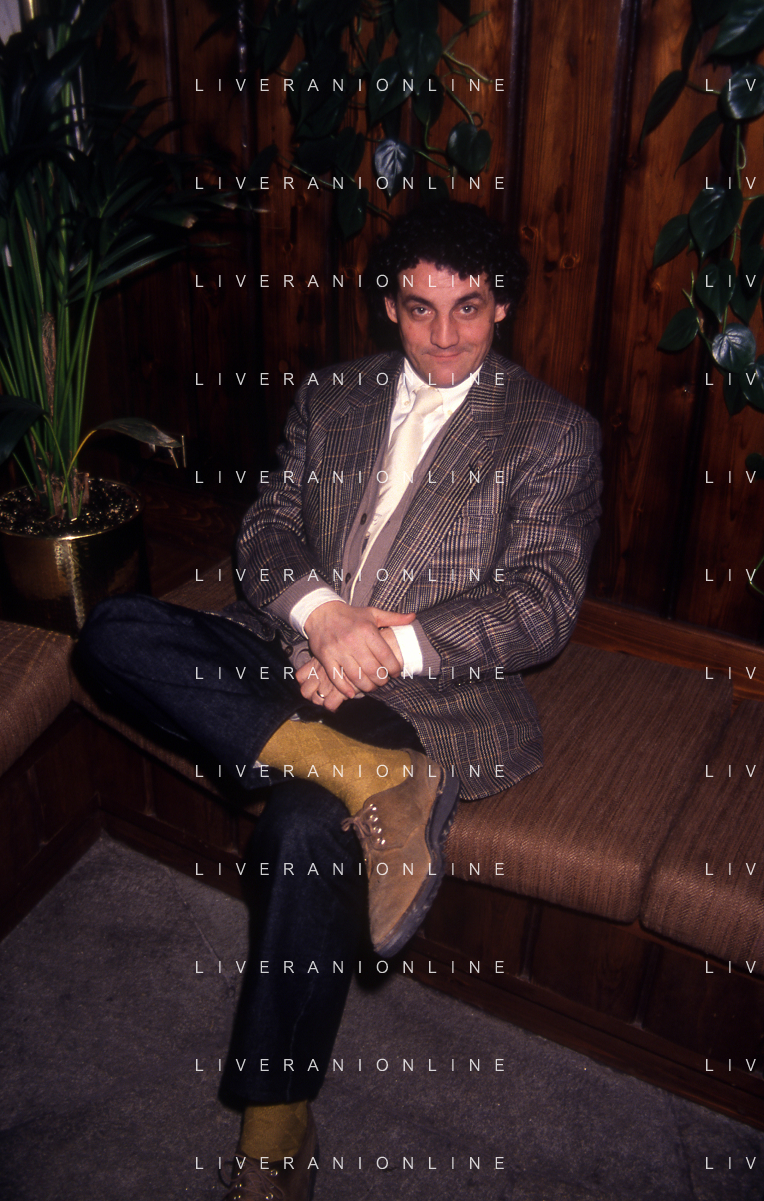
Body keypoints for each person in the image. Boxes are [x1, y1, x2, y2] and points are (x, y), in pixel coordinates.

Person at [76, 201, 602, 1201]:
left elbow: (541, 603)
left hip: (426, 696)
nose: (443, 335)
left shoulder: (552, 434)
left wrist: (378, 648)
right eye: (419, 308)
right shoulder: (333, 396)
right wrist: (321, 621)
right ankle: (363, 774)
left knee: (302, 829)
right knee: (112, 633)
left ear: (503, 306)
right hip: (290, 651)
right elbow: (267, 530)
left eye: (468, 308)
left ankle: (273, 1123)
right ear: (388, 305)